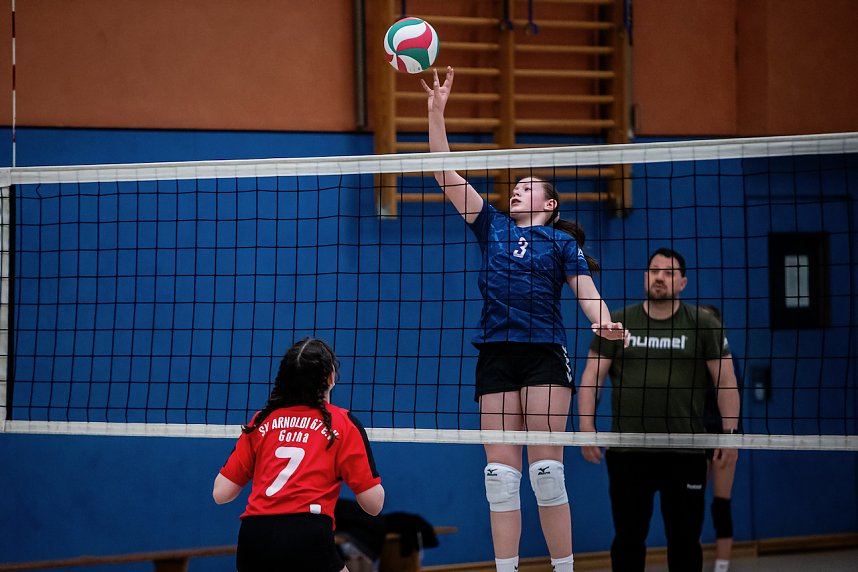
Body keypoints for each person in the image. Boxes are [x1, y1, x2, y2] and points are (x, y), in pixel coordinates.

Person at [422, 66, 628, 572]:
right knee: (499, 476)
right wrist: (436, 112)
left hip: (542, 355)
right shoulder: (490, 225)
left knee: (547, 473)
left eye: (527, 187)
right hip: (494, 353)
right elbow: (443, 173)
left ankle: (563, 568)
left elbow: (587, 292)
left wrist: (603, 323)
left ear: (550, 204)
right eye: (514, 186)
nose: (516, 190)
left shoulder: (562, 243)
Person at [578, 248, 740, 572]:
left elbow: (726, 380)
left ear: (683, 282)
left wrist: (730, 435)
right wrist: (586, 428)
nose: (660, 277)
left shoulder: (704, 324)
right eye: (654, 271)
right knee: (628, 538)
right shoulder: (619, 323)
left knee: (684, 541)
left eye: (668, 272)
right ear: (644, 277)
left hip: (685, 451)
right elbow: (592, 376)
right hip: (629, 451)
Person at [213, 337, 384, 572]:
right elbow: (373, 505)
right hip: (307, 532)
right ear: (331, 378)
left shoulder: (261, 421)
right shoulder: (343, 424)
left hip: (255, 536)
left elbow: (221, 493)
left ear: (286, 378)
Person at [699, 304, 741, 572]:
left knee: (721, 503)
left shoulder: (727, 358)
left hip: (723, 438)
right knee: (691, 503)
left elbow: (732, 403)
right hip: (693, 439)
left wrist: (730, 439)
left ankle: (722, 565)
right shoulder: (686, 360)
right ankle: (692, 558)